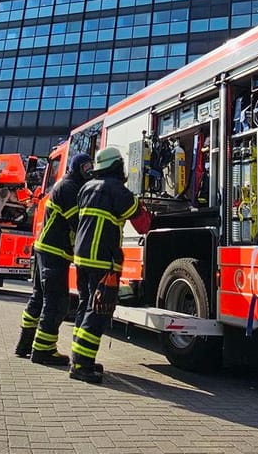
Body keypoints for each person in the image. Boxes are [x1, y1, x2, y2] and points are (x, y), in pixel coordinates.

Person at [69, 146, 150, 384]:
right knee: (99, 310)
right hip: (103, 260)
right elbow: (143, 225)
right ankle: (82, 365)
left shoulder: (85, 188)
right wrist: (143, 207)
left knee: (85, 305)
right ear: (117, 166)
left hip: (82, 259)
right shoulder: (119, 191)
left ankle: (79, 358)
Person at [16, 153, 93, 366]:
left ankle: (24, 345)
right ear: (78, 168)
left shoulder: (65, 185)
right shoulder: (69, 188)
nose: (89, 172)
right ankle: (43, 351)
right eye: (87, 168)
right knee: (57, 301)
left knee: (39, 298)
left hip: (46, 250)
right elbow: (79, 223)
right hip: (54, 252)